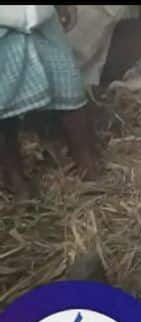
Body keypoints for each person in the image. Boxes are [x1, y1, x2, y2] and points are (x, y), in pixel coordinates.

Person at [0, 5, 100, 199]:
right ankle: (14, 178)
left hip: (40, 17)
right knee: (3, 103)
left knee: (68, 83)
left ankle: (87, 164)